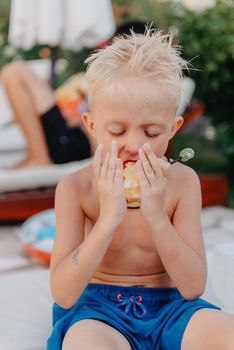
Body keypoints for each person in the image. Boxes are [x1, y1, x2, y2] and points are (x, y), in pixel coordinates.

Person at [47, 29, 234, 350]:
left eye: (151, 132)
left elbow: (193, 286)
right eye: (117, 131)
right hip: (97, 312)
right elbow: (64, 293)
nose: (134, 146)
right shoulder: (76, 188)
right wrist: (107, 220)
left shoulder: (182, 182)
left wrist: (157, 217)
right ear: (91, 126)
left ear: (173, 128)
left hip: (173, 307)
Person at [0, 19, 152, 169]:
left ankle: (39, 157)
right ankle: (36, 155)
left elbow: (105, 138)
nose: (109, 52)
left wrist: (83, 123)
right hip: (69, 136)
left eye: (116, 48)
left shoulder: (131, 86)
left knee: (14, 73)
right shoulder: (120, 81)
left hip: (74, 144)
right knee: (14, 74)